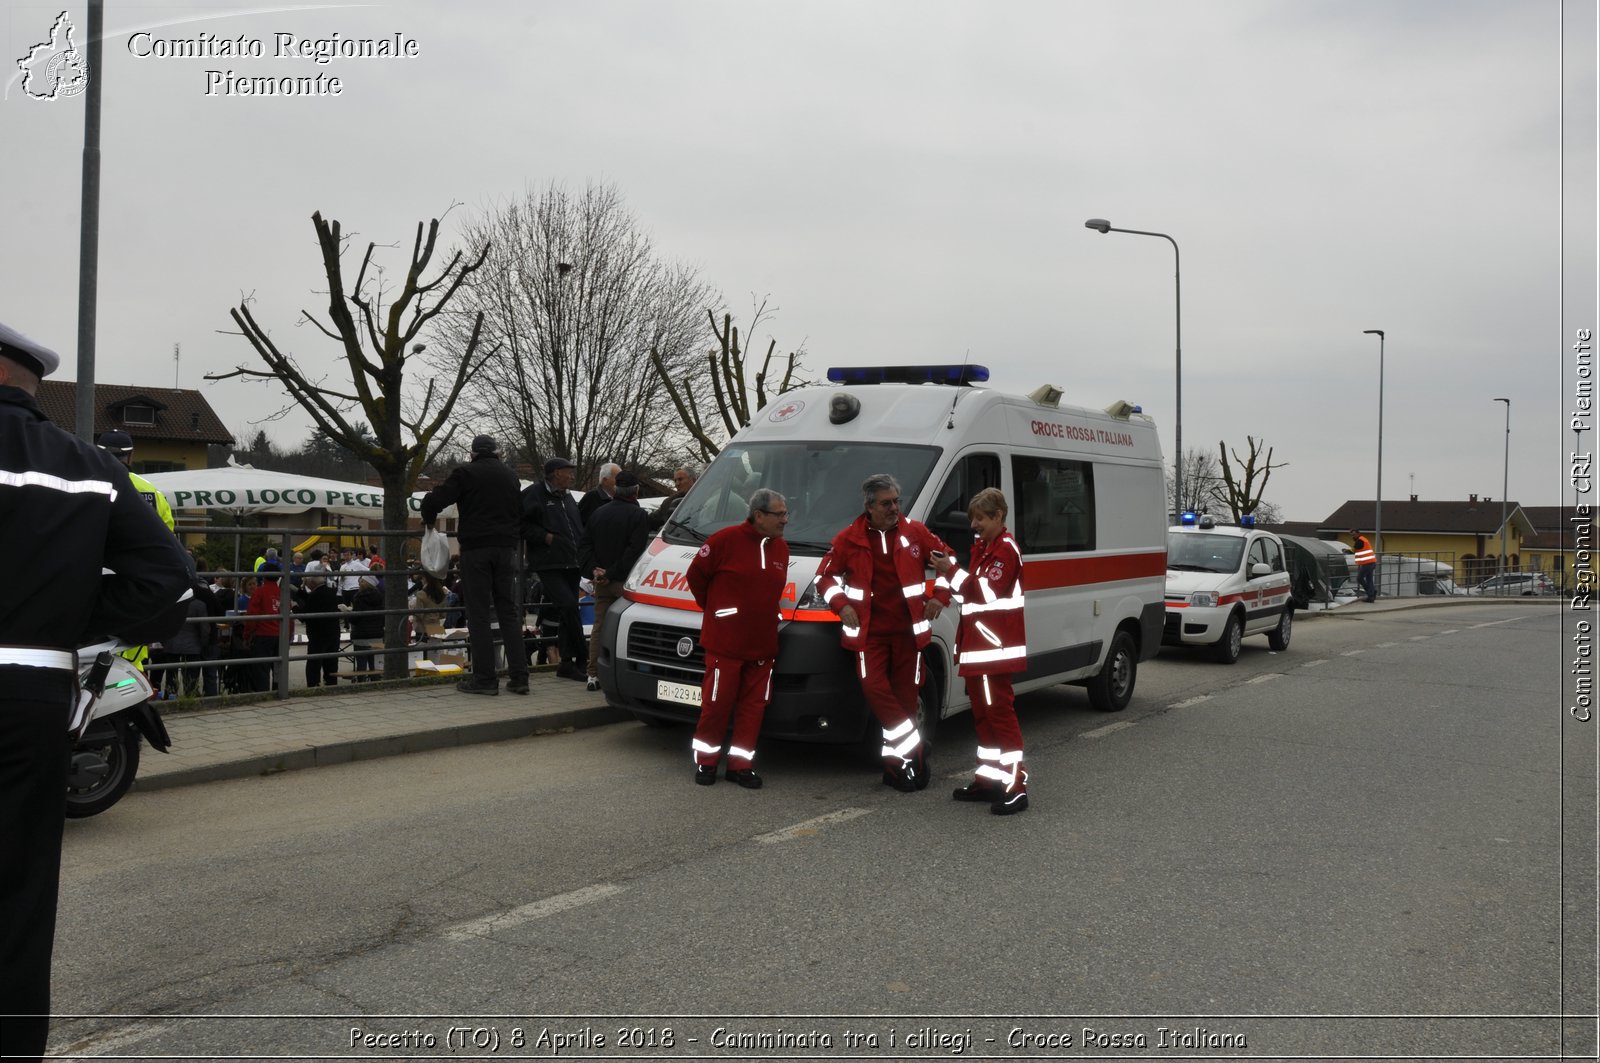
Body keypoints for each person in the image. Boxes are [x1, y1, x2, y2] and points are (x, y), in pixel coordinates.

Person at [0, 321, 193, 1062]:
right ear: (29, 383)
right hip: (31, 696)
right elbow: (168, 582)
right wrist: (63, 617)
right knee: (18, 891)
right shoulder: (85, 466)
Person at [815, 473, 953, 792]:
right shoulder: (849, 538)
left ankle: (894, 767)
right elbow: (825, 578)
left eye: (896, 502)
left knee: (906, 700)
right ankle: (915, 751)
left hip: (908, 633)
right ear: (869, 506)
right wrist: (841, 604)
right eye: (886, 503)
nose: (894, 508)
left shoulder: (915, 532)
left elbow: (950, 562)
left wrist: (939, 598)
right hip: (869, 634)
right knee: (875, 688)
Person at [930, 488, 1030, 815]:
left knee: (999, 716)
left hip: (992, 650)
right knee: (985, 719)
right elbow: (971, 595)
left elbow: (984, 592)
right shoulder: (985, 548)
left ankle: (1016, 787)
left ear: (999, 516)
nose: (975, 524)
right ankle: (990, 780)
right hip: (979, 649)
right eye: (973, 518)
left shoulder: (1004, 550)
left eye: (982, 518)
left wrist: (950, 571)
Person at [686, 489, 791, 788]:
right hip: (726, 642)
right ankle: (706, 763)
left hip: (762, 644)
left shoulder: (781, 548)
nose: (786, 519)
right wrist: (718, 611)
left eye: (785, 513)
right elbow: (696, 578)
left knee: (753, 707)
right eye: (779, 514)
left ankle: (740, 765)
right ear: (759, 515)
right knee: (717, 704)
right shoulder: (724, 541)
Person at [422, 435, 530, 695]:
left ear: (472, 454)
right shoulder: (510, 476)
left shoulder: (465, 473)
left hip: (477, 550)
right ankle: (519, 677)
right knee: (508, 612)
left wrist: (428, 521)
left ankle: (484, 679)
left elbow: (435, 500)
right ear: (497, 452)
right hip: (506, 549)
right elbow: (519, 511)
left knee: (478, 613)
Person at [578, 470, 650, 693]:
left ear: (616, 489)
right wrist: (612, 571)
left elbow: (584, 546)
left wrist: (596, 571)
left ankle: (593, 674)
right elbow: (635, 551)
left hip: (601, 581)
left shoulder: (598, 513)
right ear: (636, 491)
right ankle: (634, 673)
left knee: (599, 626)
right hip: (625, 581)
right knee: (633, 628)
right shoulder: (639, 516)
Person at [522, 456, 587, 679]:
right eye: (568, 472)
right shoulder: (534, 493)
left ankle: (567, 662)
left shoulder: (568, 498)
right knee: (568, 606)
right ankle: (582, 657)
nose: (571, 476)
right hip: (548, 562)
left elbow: (576, 526)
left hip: (572, 561)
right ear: (556, 473)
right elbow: (521, 524)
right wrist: (545, 537)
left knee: (570, 611)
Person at [241, 561, 292, 692]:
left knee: (261, 669)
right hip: (281, 635)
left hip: (263, 636)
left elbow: (252, 616)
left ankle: (263, 694)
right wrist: (289, 636)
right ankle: (279, 690)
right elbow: (289, 617)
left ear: (263, 576)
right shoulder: (283, 593)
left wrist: (246, 636)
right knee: (278, 667)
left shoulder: (260, 592)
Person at [295, 568, 342, 687]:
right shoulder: (331, 592)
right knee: (331, 660)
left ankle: (313, 683)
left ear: (312, 583)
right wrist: (300, 592)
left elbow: (305, 615)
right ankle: (331, 682)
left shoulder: (315, 596)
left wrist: (294, 607)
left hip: (318, 634)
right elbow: (312, 598)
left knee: (314, 661)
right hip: (333, 632)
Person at [648, 465, 697, 532]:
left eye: (680, 479)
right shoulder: (668, 502)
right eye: (675, 480)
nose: (677, 484)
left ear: (693, 480)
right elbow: (652, 521)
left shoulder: (706, 499)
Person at [1350, 528, 1378, 603]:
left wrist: (1347, 551)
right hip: (1371, 562)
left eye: (1354, 534)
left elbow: (1354, 549)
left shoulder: (1360, 541)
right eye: (1352, 535)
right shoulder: (1363, 539)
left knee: (1359, 578)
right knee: (1369, 580)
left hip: (1367, 563)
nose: (1353, 536)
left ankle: (1371, 593)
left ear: (1358, 534)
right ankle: (1371, 595)